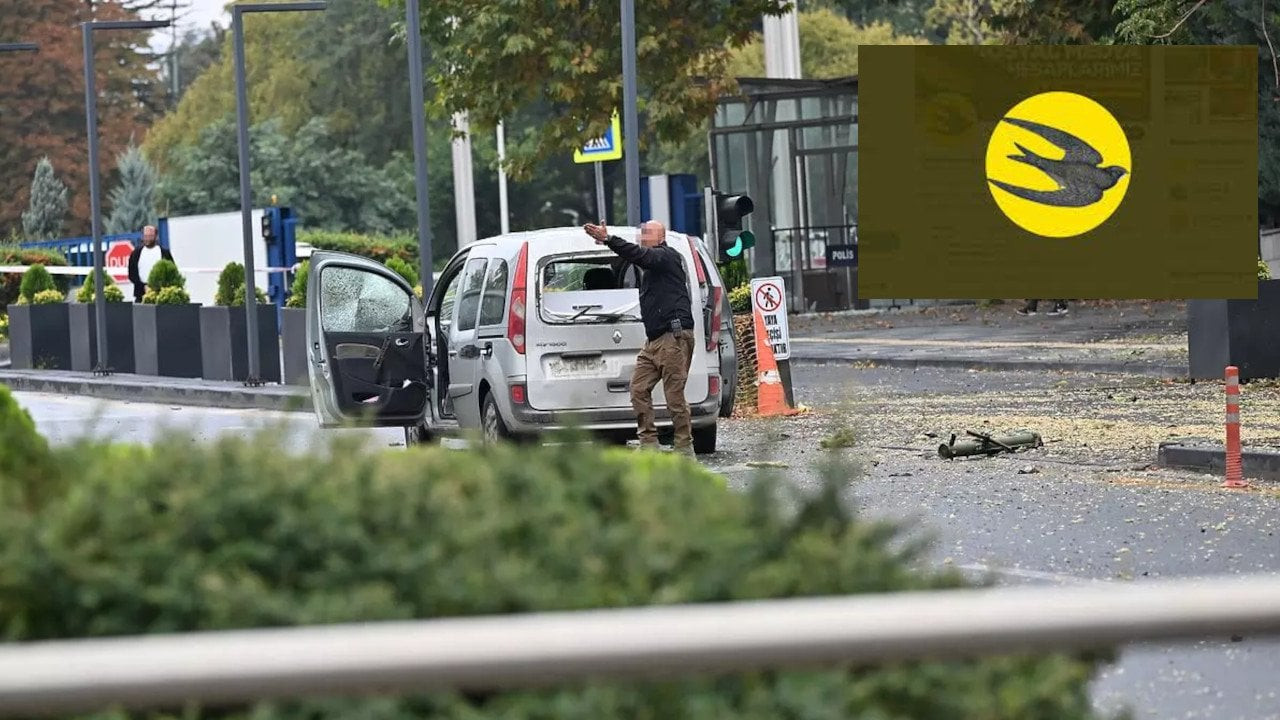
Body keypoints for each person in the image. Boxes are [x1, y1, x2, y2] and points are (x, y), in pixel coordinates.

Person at [584, 219, 696, 457]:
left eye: (645, 233)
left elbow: (640, 255)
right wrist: (609, 243)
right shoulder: (650, 263)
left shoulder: (666, 256)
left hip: (673, 336)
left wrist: (609, 239)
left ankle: (684, 447)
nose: (640, 236)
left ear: (659, 237)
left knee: (674, 395)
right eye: (641, 233)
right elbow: (636, 255)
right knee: (638, 388)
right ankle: (648, 443)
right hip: (655, 340)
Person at [127, 225, 174, 303]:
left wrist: (157, 287)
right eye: (146, 236)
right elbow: (132, 274)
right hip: (140, 294)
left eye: (150, 236)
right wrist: (143, 286)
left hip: (161, 294)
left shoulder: (164, 253)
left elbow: (171, 272)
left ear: (156, 236)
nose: (147, 238)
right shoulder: (136, 253)